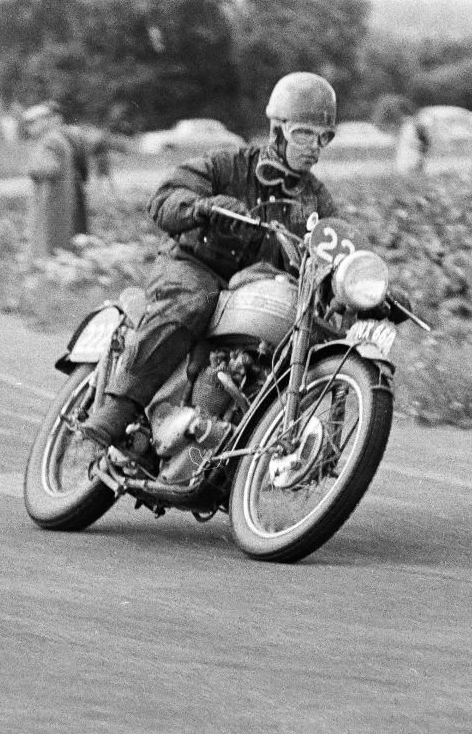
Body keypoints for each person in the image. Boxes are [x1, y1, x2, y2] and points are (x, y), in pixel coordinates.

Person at [79, 72, 341, 450]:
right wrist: (202, 207)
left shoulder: (317, 200)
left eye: (324, 137)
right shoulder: (227, 164)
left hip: (254, 288)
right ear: (277, 130)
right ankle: (118, 410)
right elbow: (166, 197)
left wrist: (366, 281)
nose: (314, 147)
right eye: (304, 134)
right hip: (193, 265)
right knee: (195, 297)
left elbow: (337, 244)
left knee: (292, 339)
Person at [22, 102, 86, 259]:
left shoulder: (50, 140)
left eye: (33, 123)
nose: (29, 128)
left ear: (44, 121)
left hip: (51, 198)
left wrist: (31, 169)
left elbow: (50, 168)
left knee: (49, 238)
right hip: (56, 197)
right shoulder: (53, 138)